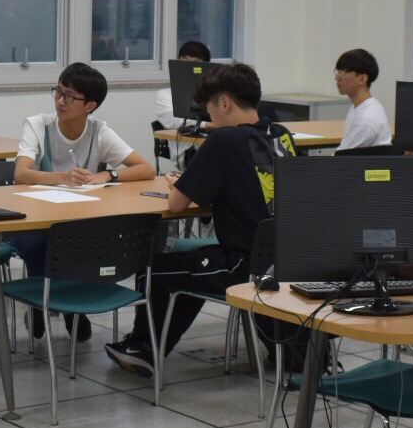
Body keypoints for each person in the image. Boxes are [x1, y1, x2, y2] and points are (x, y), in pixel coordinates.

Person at [106, 62, 297, 376]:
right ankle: (288, 352)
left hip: (245, 265)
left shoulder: (223, 140)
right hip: (289, 261)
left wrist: (178, 185)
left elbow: (177, 205)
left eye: (210, 112)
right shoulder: (281, 135)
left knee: (157, 270)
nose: (210, 121)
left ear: (225, 102)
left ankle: (143, 349)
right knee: (192, 266)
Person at [12, 62, 153, 341]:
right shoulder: (38, 125)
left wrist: (108, 174)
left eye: (70, 97)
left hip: (76, 222)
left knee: (76, 243)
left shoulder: (99, 131)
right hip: (33, 221)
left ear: (90, 106)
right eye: (58, 92)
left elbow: (146, 169)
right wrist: (63, 177)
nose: (60, 101)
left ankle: (65, 307)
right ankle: (47, 305)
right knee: (44, 247)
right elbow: (21, 173)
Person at [155, 40, 211, 168]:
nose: (188, 67)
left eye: (195, 63)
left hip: (215, 144)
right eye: (184, 61)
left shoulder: (215, 94)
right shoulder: (166, 94)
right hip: (188, 152)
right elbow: (171, 121)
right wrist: (208, 125)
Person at [333, 48, 391, 152]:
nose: (337, 78)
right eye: (337, 71)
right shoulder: (360, 106)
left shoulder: (366, 119)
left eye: (342, 72)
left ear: (362, 79)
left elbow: (343, 156)